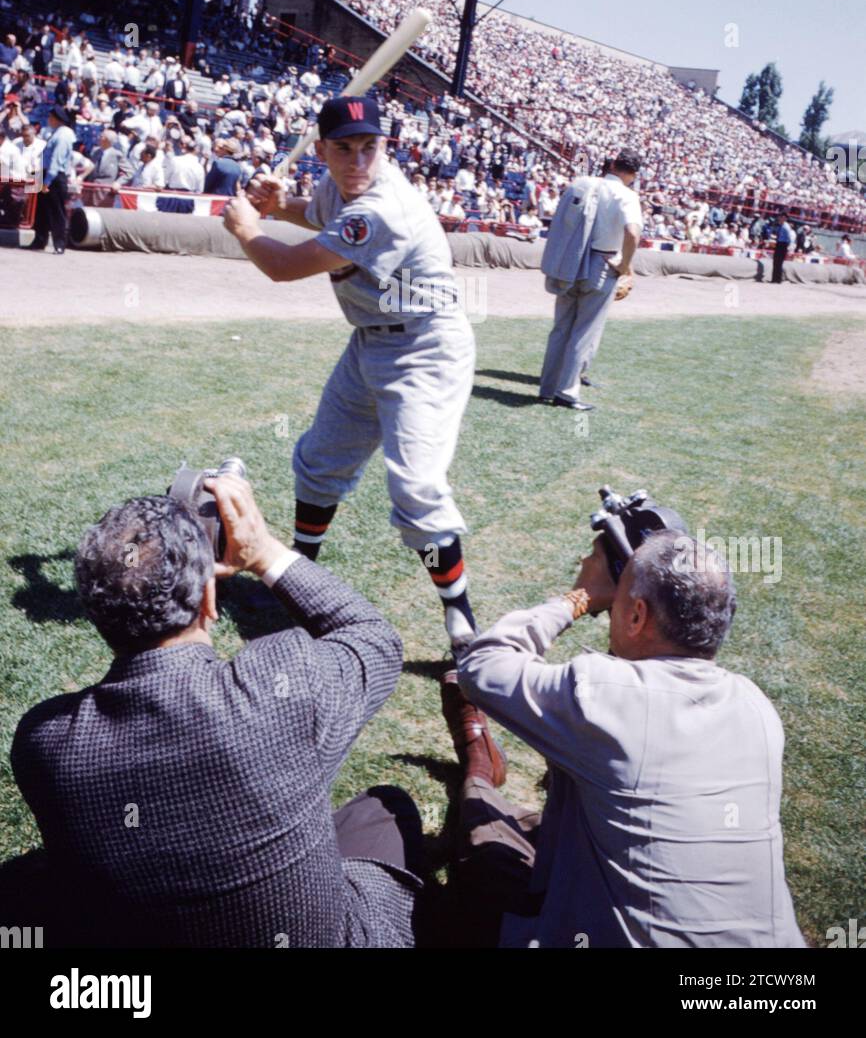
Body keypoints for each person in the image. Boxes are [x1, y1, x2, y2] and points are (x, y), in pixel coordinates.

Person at [10, 470, 423, 948]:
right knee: (384, 809)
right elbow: (374, 639)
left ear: (95, 613)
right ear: (209, 597)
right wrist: (265, 552)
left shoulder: (45, 744)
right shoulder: (283, 687)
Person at [446, 522, 806, 949]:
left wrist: (579, 597)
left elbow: (481, 665)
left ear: (636, 615)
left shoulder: (604, 697)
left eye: (620, 598)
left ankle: (480, 770)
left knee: (483, 834)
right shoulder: (756, 706)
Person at [226, 94, 478, 651]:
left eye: (371, 147)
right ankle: (296, 583)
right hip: (370, 341)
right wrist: (282, 203)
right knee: (320, 461)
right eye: (345, 149)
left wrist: (247, 227)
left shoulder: (383, 207)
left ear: (385, 148)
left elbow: (284, 266)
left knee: (416, 487)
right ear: (321, 151)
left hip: (425, 348)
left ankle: (461, 619)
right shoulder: (338, 187)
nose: (359, 160)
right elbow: (317, 216)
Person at [537, 149, 642, 411]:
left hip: (570, 259)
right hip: (602, 263)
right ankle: (566, 392)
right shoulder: (627, 195)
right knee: (585, 331)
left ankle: (547, 387)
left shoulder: (581, 183)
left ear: (613, 164)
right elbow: (632, 233)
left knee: (561, 327)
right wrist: (625, 265)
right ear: (633, 174)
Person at [28, 106, 75, 253]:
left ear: (56, 118)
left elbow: (56, 160)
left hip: (54, 177)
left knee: (57, 212)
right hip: (47, 174)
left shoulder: (63, 135)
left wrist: (47, 182)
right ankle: (39, 240)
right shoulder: (57, 133)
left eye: (51, 117)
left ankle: (59, 244)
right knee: (42, 210)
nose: (48, 119)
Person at [772, 214, 795, 283]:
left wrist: (788, 248)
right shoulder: (780, 226)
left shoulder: (786, 227)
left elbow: (789, 238)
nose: (780, 219)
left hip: (783, 245)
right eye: (780, 217)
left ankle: (778, 279)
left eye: (782, 217)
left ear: (785, 219)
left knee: (779, 262)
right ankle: (774, 279)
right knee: (775, 262)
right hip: (779, 243)